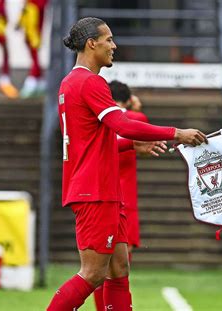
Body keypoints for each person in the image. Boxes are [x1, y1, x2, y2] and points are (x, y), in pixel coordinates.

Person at [47, 17, 207, 311]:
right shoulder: (89, 81)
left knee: (119, 270)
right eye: (108, 40)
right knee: (93, 273)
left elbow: (91, 140)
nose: (114, 46)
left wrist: (131, 145)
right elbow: (121, 123)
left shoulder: (70, 82)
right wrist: (176, 133)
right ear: (91, 44)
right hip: (95, 190)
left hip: (98, 187)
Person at [92, 80, 150, 311]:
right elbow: (141, 122)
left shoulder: (97, 120)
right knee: (119, 268)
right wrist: (134, 105)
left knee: (98, 266)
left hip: (99, 195)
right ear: (127, 99)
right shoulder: (134, 119)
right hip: (126, 199)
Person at [17, 0, 49, 98]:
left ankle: (34, 78)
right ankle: (37, 78)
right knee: (30, 42)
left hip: (35, 8)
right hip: (31, 7)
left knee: (33, 43)